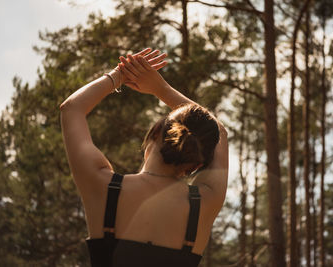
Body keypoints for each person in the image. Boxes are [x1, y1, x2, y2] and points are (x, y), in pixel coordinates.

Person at [60, 48, 228, 267]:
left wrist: (118, 75)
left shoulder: (103, 186)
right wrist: (161, 89)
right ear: (196, 164)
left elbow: (70, 109)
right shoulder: (205, 203)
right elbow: (219, 132)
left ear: (156, 132)